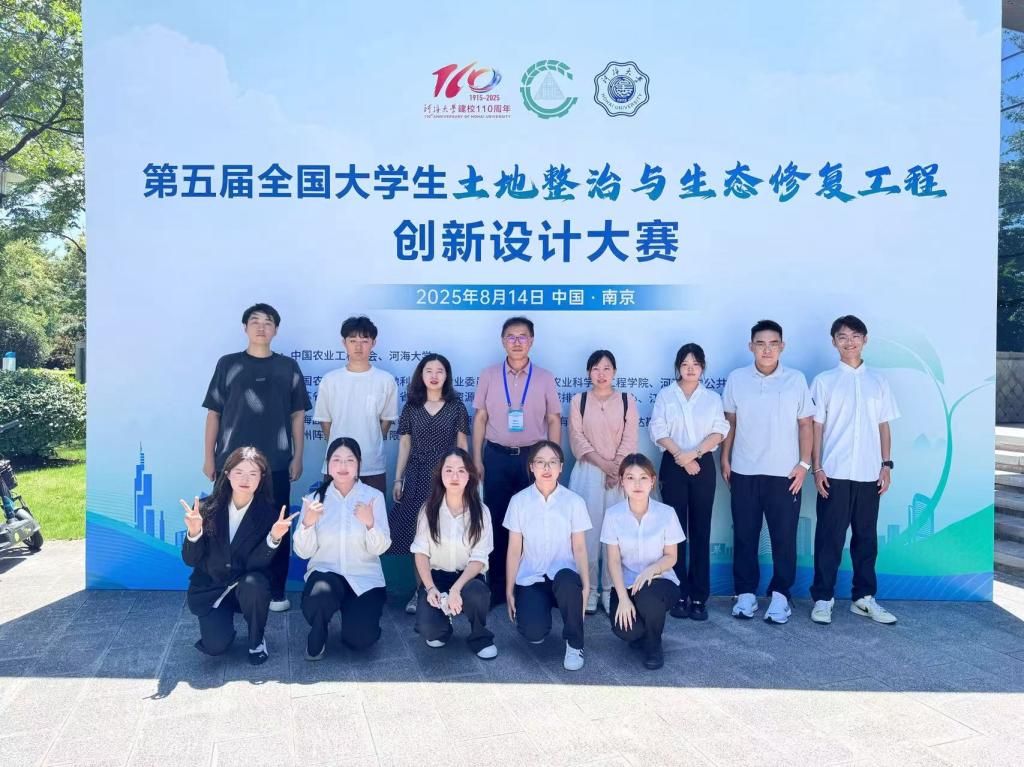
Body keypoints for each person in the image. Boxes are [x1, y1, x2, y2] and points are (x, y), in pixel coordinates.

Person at [202, 303, 311, 613]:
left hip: (275, 463)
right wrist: (209, 458)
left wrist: (298, 457)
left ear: (276, 329)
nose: (261, 327)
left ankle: (276, 590)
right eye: (255, 321)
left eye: (268, 322)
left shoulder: (287, 367)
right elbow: (214, 414)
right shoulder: (228, 364)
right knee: (225, 525)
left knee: (277, 526)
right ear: (245, 328)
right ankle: (227, 586)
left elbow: (298, 415)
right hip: (231, 465)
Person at [721, 319, 815, 624]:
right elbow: (730, 423)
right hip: (744, 470)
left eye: (773, 343)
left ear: (782, 346)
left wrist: (804, 464)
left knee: (784, 538)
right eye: (760, 344)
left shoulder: (796, 380)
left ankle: (780, 596)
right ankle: (745, 593)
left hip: (785, 474)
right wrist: (725, 458)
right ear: (751, 347)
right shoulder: (737, 379)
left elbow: (806, 424)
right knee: (745, 536)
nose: (767, 349)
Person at [810, 315, 900, 625]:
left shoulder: (878, 381)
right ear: (834, 342)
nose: (849, 342)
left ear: (865, 339)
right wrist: (817, 468)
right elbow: (816, 428)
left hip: (869, 473)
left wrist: (886, 465)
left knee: (866, 539)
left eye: (855, 336)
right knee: (829, 539)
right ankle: (823, 599)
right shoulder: (824, 381)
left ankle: (863, 598)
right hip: (834, 472)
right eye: (842, 337)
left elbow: (883, 425)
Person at [473, 316, 561, 605]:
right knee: (498, 521)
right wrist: (477, 458)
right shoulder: (488, 375)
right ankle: (499, 586)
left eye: (523, 336)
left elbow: (553, 419)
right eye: (511, 336)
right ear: (502, 341)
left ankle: (530, 585)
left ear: (531, 341)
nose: (517, 342)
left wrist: (552, 461)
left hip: (532, 459)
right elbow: (480, 418)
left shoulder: (544, 377)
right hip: (496, 456)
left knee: (533, 522)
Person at [180, 446, 297, 665]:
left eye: (253, 473)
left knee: (255, 583)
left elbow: (256, 565)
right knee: (215, 647)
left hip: (246, 587)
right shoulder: (206, 509)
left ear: (262, 478)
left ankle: (256, 639)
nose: (245, 479)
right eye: (239, 472)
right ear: (227, 474)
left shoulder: (269, 515)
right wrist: (194, 533)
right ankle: (223, 626)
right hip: (212, 589)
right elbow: (190, 560)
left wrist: (273, 538)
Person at [649, 343, 729, 622]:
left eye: (695, 364)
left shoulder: (712, 398)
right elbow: (657, 429)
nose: (690, 369)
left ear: (703, 367)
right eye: (685, 364)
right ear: (678, 367)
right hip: (673, 464)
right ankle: (678, 593)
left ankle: (698, 597)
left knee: (700, 531)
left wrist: (693, 454)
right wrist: (681, 457)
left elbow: (720, 430)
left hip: (702, 464)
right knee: (675, 533)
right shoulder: (666, 395)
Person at [293, 437, 391, 660]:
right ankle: (319, 630)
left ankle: (356, 617)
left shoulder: (373, 498)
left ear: (359, 465)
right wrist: (307, 523)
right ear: (328, 465)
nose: (343, 466)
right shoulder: (314, 500)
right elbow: (303, 552)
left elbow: (380, 548)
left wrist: (370, 524)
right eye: (336, 460)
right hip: (326, 575)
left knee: (360, 640)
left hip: (364, 579)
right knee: (319, 596)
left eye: (350, 460)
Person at [392, 353, 470, 615]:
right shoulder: (411, 407)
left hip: (448, 478)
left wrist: (465, 479)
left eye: (440, 371)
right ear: (421, 375)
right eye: (429, 371)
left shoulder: (456, 407)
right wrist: (398, 478)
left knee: (444, 532)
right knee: (418, 537)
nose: (434, 376)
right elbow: (405, 445)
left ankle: (451, 591)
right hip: (416, 476)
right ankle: (422, 592)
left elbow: (462, 445)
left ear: (447, 376)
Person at [504, 441, 590, 671]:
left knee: (567, 579)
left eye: (552, 462)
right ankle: (539, 616)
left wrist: (586, 586)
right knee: (533, 633)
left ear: (561, 467)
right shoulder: (519, 501)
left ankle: (575, 643)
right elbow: (514, 549)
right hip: (532, 577)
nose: (546, 468)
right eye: (540, 462)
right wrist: (509, 590)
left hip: (564, 580)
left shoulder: (574, 502)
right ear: (531, 466)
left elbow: (580, 548)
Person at [567, 349, 639, 614]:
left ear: (615, 372)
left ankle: (611, 590)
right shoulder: (579, 400)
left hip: (620, 475)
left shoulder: (627, 400)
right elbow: (577, 438)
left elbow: (630, 438)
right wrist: (605, 465)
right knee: (587, 534)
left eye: (607, 368)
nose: (601, 373)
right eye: (596, 368)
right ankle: (589, 590)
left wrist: (615, 468)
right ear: (589, 372)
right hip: (588, 473)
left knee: (615, 534)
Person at [601, 454, 684, 670]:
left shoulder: (666, 513)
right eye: (630, 478)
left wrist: (651, 571)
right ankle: (643, 631)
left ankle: (654, 645)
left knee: (648, 595)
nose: (637, 484)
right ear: (622, 481)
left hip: (661, 582)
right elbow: (613, 561)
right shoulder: (613, 515)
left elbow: (671, 556)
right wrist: (623, 598)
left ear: (652, 481)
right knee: (627, 631)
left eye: (643, 478)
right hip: (627, 585)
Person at [411, 449, 497, 658]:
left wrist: (456, 589)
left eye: (461, 470)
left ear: (470, 475)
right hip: (437, 578)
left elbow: (479, 559)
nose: (455, 476)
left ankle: (479, 636)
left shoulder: (481, 512)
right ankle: (443, 624)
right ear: (440, 474)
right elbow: (421, 553)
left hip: (467, 578)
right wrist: (430, 588)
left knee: (477, 593)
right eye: (448, 470)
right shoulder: (428, 510)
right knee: (431, 632)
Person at [313, 316, 398, 495]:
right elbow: (325, 422)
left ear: (373, 343)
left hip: (372, 464)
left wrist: (372, 440)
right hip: (337, 464)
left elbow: (386, 421)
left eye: (364, 341)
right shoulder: (330, 380)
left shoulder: (385, 380)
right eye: (353, 341)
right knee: (333, 509)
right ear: (344, 343)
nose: (358, 347)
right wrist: (341, 450)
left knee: (373, 511)